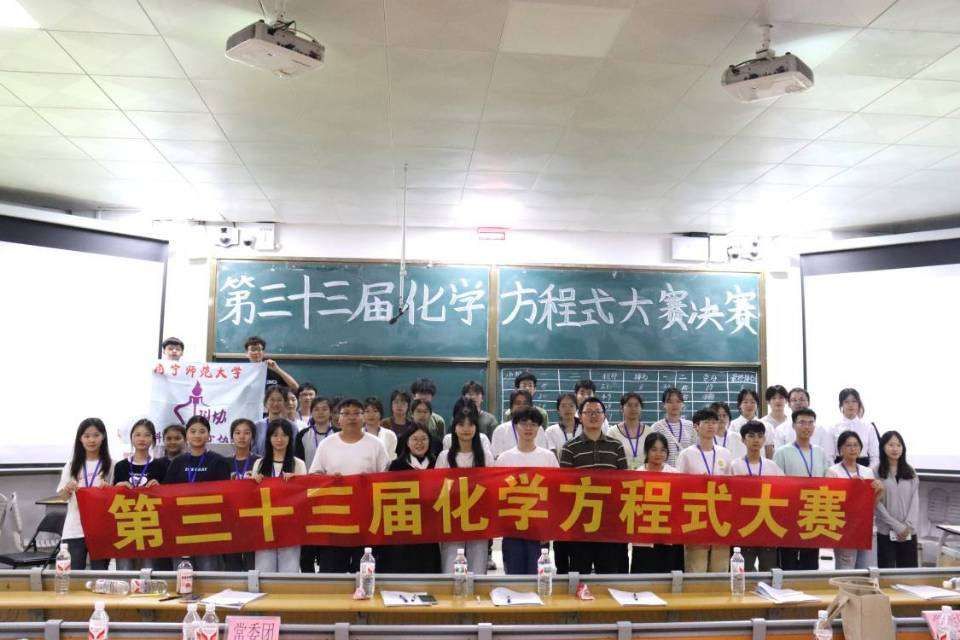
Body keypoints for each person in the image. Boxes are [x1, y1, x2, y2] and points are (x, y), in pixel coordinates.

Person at [309, 398, 389, 572]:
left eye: (356, 413)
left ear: (363, 417)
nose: (352, 417)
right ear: (338, 419)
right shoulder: (327, 444)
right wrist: (329, 479)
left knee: (365, 572)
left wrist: (371, 480)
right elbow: (314, 476)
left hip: (367, 519)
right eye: (346, 413)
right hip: (335, 520)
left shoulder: (376, 444)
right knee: (332, 572)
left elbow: (386, 479)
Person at [560, 397, 628, 574]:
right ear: (580, 417)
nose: (593, 416)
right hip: (580, 521)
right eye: (588, 412)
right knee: (580, 574)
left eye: (597, 412)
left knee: (609, 574)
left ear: (604, 416)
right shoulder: (569, 448)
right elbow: (564, 486)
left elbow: (625, 483)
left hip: (609, 522)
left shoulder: (616, 446)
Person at [494, 407, 559, 574]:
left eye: (533, 424)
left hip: (539, 529)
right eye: (524, 423)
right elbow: (497, 496)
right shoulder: (504, 459)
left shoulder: (548, 457)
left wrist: (550, 529)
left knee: (538, 578)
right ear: (515, 426)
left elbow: (555, 495)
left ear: (539, 428)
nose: (528, 428)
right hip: (512, 530)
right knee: (515, 579)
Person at [436, 406, 493, 574]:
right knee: (450, 570)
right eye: (461, 424)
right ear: (454, 428)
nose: (466, 429)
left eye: (470, 424)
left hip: (478, 520)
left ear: (476, 428)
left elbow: (491, 488)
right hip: (452, 520)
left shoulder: (485, 456)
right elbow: (437, 489)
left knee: (477, 571)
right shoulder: (444, 456)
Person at [377, 424, 441, 573]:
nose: (419, 443)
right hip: (403, 525)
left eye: (424, 439)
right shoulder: (396, 466)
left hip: (429, 527)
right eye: (415, 439)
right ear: (407, 442)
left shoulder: (437, 465)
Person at [773, 408, 831, 570]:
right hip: (789, 514)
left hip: (812, 512)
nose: (807, 426)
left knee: (810, 562)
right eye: (802, 422)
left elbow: (828, 480)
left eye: (811, 423)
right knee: (788, 561)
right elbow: (776, 484)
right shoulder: (782, 452)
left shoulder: (820, 452)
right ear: (793, 425)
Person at [677, 408, 732, 573]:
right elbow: (678, 486)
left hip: (720, 516)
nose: (711, 426)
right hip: (696, 516)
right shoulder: (686, 454)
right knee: (696, 568)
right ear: (696, 426)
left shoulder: (725, 453)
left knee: (720, 568)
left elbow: (731, 486)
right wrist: (697, 484)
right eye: (706, 422)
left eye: (714, 422)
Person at [58, 418, 113, 570]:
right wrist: (68, 488)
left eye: (96, 435)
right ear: (80, 439)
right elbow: (63, 497)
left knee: (100, 576)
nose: (91, 440)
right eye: (87, 436)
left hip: (101, 529)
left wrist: (109, 490)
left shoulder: (112, 464)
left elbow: (118, 498)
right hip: (75, 529)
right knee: (74, 576)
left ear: (103, 437)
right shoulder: (71, 465)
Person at [251, 419, 306, 573]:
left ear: (290, 438)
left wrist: (297, 482)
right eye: (275, 435)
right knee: (264, 571)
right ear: (268, 438)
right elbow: (252, 496)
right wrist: (253, 483)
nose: (279, 439)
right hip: (265, 526)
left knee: (289, 572)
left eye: (284, 435)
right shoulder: (259, 463)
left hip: (290, 526)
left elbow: (305, 496)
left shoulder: (298, 464)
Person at [730, 420, 783, 571]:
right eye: (751, 436)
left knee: (768, 570)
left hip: (767, 524)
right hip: (743, 525)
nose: (756, 440)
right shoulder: (734, 466)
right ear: (743, 440)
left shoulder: (772, 466)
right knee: (743, 571)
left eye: (760, 436)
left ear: (764, 439)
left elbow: (783, 492)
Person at [827, 430, 883, 569]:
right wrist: (850, 487)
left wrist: (879, 492)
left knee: (867, 571)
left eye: (856, 445)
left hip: (866, 528)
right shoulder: (833, 471)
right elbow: (831, 504)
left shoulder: (867, 471)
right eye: (848, 445)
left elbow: (871, 506)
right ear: (840, 450)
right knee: (845, 573)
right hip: (844, 529)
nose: (853, 448)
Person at [631, 432, 684, 574]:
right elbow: (633, 505)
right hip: (645, 535)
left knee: (669, 577)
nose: (658, 454)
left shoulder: (675, 474)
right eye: (654, 449)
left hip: (669, 534)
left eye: (663, 450)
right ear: (647, 451)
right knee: (644, 576)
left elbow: (680, 504)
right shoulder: (637, 474)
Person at [874, 430, 919, 568]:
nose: (895, 449)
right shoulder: (875, 471)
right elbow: (876, 504)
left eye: (899, 445)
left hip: (908, 532)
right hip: (886, 531)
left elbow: (915, 501)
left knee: (908, 574)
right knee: (887, 574)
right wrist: (897, 526)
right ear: (883, 447)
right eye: (891, 445)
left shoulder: (910, 471)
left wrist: (907, 526)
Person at [224, 418, 260, 572]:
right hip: (230, 518)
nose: (242, 437)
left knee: (253, 564)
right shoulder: (223, 462)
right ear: (232, 437)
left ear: (253, 437)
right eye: (237, 433)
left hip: (253, 518)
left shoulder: (260, 461)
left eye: (247, 433)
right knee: (232, 564)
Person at [491, 390, 548, 459]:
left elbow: (544, 456)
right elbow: (497, 458)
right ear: (511, 408)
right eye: (518, 403)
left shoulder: (539, 429)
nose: (522, 406)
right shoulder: (500, 430)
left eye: (525, 403)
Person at [833, 388, 880, 468]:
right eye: (846, 402)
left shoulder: (869, 427)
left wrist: (868, 472)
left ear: (859, 404)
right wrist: (836, 472)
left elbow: (875, 456)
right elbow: (829, 456)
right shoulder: (833, 428)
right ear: (841, 405)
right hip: (839, 469)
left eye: (854, 401)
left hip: (864, 468)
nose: (850, 405)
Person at [651, 387, 695, 466]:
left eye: (678, 401)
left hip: (687, 471)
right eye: (670, 402)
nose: (674, 405)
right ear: (664, 405)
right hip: (665, 471)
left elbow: (695, 451)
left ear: (683, 404)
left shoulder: (690, 426)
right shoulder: (656, 428)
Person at [608, 392, 650, 470]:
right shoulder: (612, 432)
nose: (633, 409)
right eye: (629, 405)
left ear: (641, 408)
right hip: (621, 475)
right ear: (622, 408)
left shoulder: (649, 432)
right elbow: (610, 459)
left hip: (645, 475)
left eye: (636, 405)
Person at [294, 396, 338, 471]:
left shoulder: (338, 434)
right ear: (311, 413)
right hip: (308, 476)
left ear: (331, 412)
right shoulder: (302, 434)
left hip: (332, 476)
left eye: (324, 409)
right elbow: (298, 461)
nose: (320, 413)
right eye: (316, 409)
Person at [253, 386, 288, 456]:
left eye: (279, 400)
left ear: (285, 403)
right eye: (272, 400)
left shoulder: (292, 427)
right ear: (265, 403)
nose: (275, 403)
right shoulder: (257, 426)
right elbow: (253, 450)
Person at [545, 392, 581, 458]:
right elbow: (552, 457)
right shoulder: (550, 431)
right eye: (563, 406)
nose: (567, 409)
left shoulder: (585, 429)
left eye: (571, 405)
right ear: (558, 410)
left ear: (576, 409)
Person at [411, 378, 446, 443]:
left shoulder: (438, 421)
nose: (424, 397)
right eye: (421, 393)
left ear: (432, 397)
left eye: (427, 394)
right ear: (414, 396)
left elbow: (441, 444)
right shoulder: (405, 418)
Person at [362, 397, 397, 462]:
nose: (371, 415)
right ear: (362, 414)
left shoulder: (390, 435)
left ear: (381, 414)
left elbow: (391, 459)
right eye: (367, 411)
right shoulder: (356, 434)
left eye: (375, 411)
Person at [761, 385, 790, 459]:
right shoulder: (762, 423)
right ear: (768, 401)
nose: (777, 401)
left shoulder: (791, 422)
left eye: (781, 397)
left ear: (786, 400)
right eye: (774, 398)